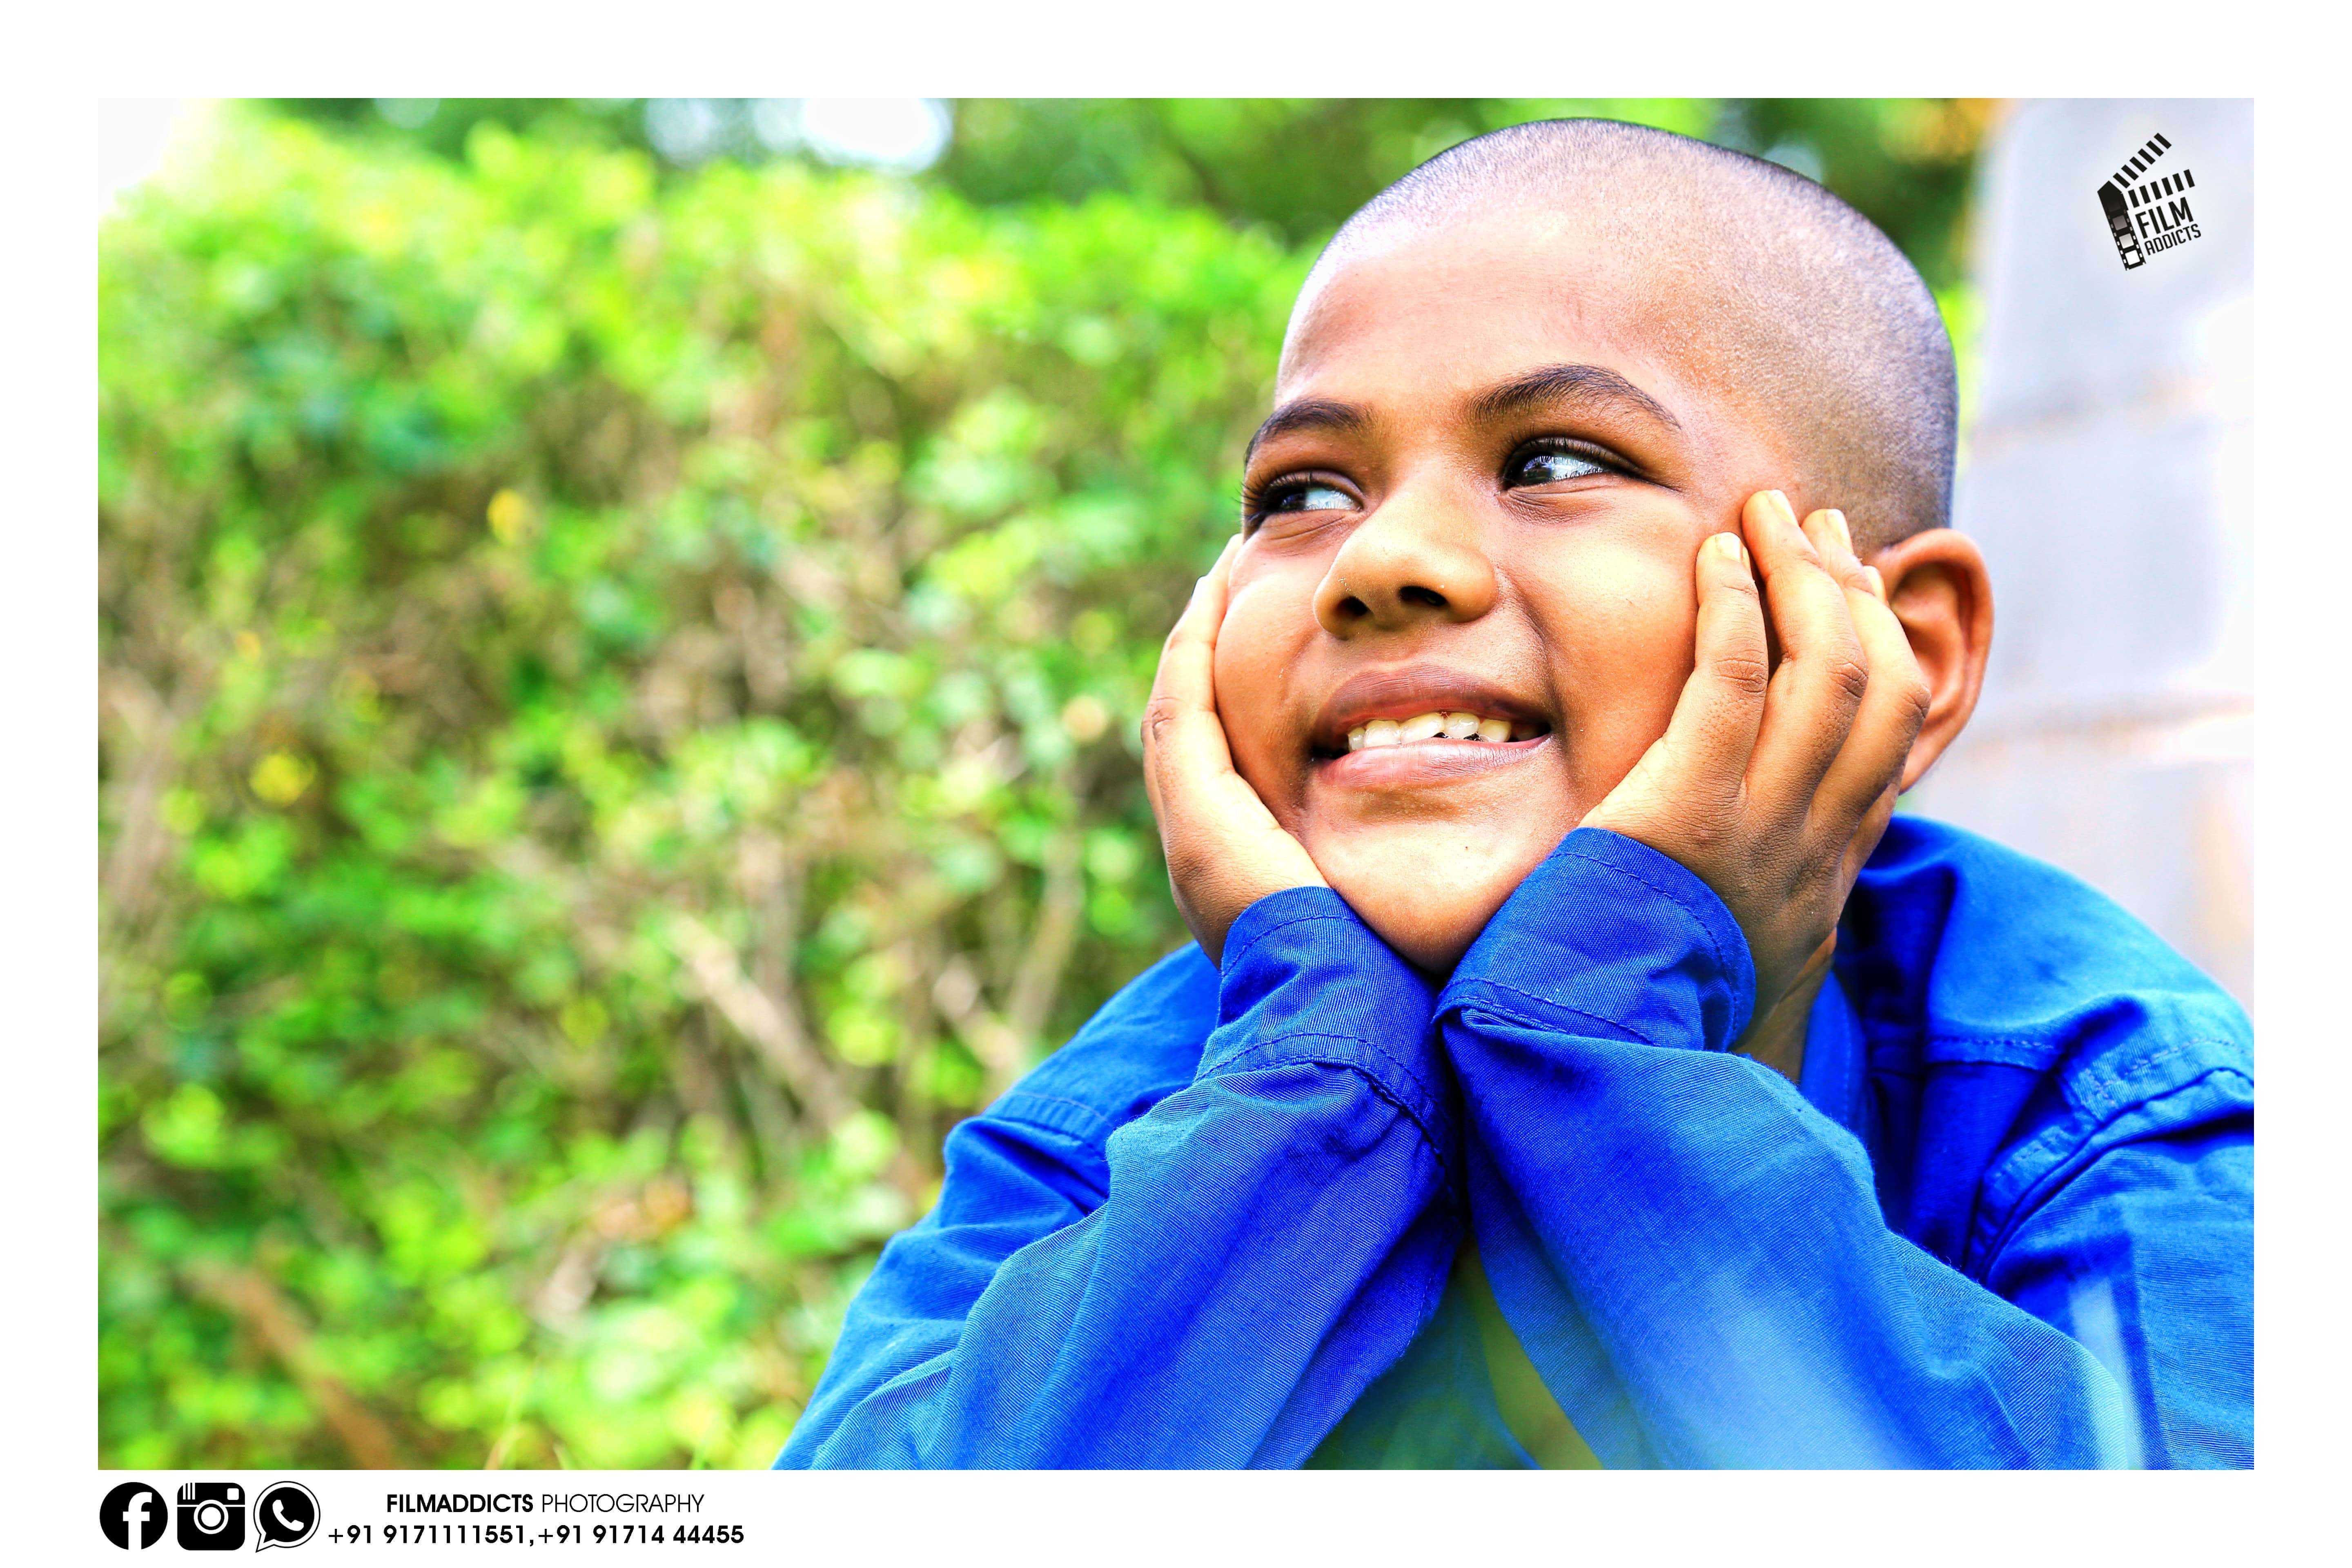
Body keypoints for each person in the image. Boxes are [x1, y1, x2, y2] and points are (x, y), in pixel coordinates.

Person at [773, 119, 2253, 1469]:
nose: (1379, 561)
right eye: (1303, 493)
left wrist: (1594, 1026)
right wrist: (1319, 1088)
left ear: (1901, 652)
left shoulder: (2104, 1103)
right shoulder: (1145, 1106)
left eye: (1554, 461)